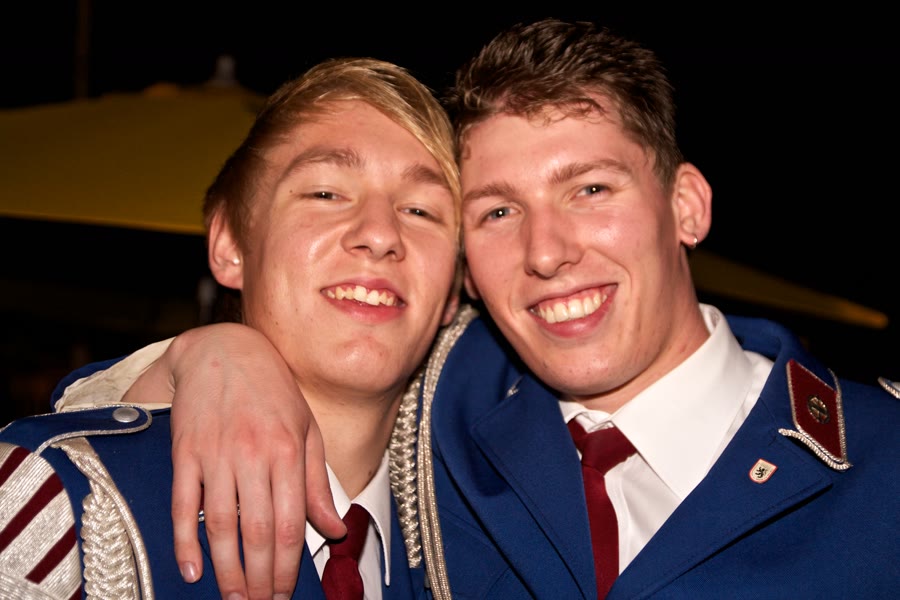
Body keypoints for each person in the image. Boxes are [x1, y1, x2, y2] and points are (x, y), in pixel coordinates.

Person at [46, 18, 900, 599]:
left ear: (686, 205)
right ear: (465, 272)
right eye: (496, 211)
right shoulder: (445, 419)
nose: (545, 251)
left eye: (591, 189)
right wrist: (213, 352)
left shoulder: (879, 461)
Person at [0, 56, 465, 599]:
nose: (380, 234)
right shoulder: (59, 501)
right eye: (325, 193)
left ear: (455, 288)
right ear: (229, 246)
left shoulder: (479, 542)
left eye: (421, 211)